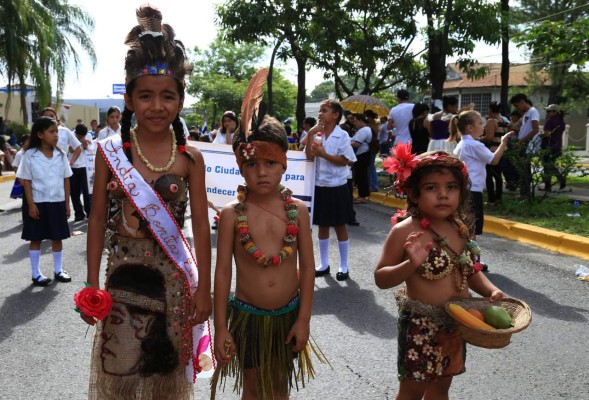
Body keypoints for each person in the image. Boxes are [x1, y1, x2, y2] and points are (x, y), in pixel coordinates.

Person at [81, 6, 212, 399]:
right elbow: (97, 220)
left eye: (167, 96)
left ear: (181, 99)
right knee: (119, 373)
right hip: (121, 282)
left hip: (174, 284)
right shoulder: (110, 154)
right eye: (146, 96)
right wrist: (90, 284)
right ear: (130, 99)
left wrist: (204, 288)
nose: (157, 106)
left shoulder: (191, 159)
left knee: (165, 375)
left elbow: (202, 228)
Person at [374, 146, 505, 400]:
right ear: (414, 193)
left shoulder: (460, 228)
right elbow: (381, 278)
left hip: (457, 323)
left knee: (442, 387)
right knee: (412, 390)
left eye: (451, 187)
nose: (443, 195)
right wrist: (409, 264)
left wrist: (491, 290)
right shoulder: (404, 231)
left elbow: (470, 269)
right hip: (421, 325)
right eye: (432, 188)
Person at [211, 114, 323, 400]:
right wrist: (221, 328)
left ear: (284, 164)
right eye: (251, 164)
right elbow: (223, 273)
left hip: (288, 316)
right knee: (252, 387)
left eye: (270, 163)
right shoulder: (231, 214)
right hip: (249, 317)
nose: (261, 172)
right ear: (240, 168)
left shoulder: (297, 210)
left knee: (278, 386)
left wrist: (304, 319)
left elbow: (308, 268)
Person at [452, 110, 512, 271]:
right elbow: (494, 159)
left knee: (466, 225)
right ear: (470, 128)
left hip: (464, 189)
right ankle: (472, 260)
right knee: (472, 227)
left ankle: (466, 257)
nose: (483, 126)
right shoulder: (474, 145)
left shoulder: (462, 143)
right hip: (473, 190)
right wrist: (503, 142)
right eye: (480, 123)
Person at [17, 116, 73, 286]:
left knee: (58, 236)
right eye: (51, 131)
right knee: (36, 238)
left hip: (56, 201)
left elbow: (66, 179)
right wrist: (31, 204)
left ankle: (58, 270)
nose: (56, 135)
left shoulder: (60, 154)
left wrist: (66, 203)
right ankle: (36, 274)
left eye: (56, 131)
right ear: (40, 134)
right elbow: (26, 180)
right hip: (38, 202)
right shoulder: (29, 155)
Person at [305, 99, 357, 281]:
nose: (320, 114)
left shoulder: (341, 135)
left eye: (324, 110)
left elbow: (345, 160)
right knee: (323, 225)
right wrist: (311, 135)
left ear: (335, 115)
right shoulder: (317, 133)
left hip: (337, 186)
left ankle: (344, 265)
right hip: (320, 185)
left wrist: (324, 155)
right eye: (319, 110)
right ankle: (324, 263)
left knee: (340, 225)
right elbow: (309, 157)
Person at [510, 93, 539, 200]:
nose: (517, 109)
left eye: (517, 106)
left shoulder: (533, 111)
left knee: (525, 169)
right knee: (522, 169)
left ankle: (525, 194)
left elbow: (535, 129)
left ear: (522, 101)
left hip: (525, 144)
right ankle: (524, 193)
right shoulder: (526, 113)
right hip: (522, 143)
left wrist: (521, 141)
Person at [481, 101, 510, 205]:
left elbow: (489, 137)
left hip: (492, 151)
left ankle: (491, 200)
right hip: (502, 150)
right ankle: (498, 198)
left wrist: (478, 139)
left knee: (489, 176)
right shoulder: (503, 120)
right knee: (498, 176)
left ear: (491, 109)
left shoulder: (491, 121)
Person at [41, 107, 83, 174]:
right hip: (43, 167)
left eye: (52, 116)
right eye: (46, 116)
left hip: (61, 168)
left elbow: (79, 148)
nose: (49, 118)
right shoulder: (39, 133)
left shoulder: (65, 131)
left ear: (56, 117)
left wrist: (70, 162)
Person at [541, 104, 566, 192]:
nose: (547, 113)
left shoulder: (549, 121)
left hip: (549, 146)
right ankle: (560, 180)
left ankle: (549, 186)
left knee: (547, 166)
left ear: (555, 112)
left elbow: (547, 134)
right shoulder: (562, 122)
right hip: (557, 146)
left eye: (549, 111)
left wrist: (541, 135)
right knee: (551, 165)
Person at [70, 123, 92, 221]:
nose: (83, 137)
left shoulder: (89, 136)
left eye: (84, 135)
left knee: (87, 192)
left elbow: (89, 149)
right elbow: (71, 150)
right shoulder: (70, 135)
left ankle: (89, 212)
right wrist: (79, 141)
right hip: (73, 166)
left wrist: (85, 143)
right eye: (80, 135)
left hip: (85, 167)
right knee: (74, 192)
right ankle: (78, 213)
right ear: (76, 133)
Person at [351, 113, 373, 204]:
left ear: (360, 120)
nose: (354, 123)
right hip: (363, 155)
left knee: (361, 176)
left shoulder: (363, 130)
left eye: (356, 121)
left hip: (362, 156)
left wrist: (346, 142)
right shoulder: (365, 129)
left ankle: (362, 196)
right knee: (362, 176)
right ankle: (362, 195)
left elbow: (356, 143)